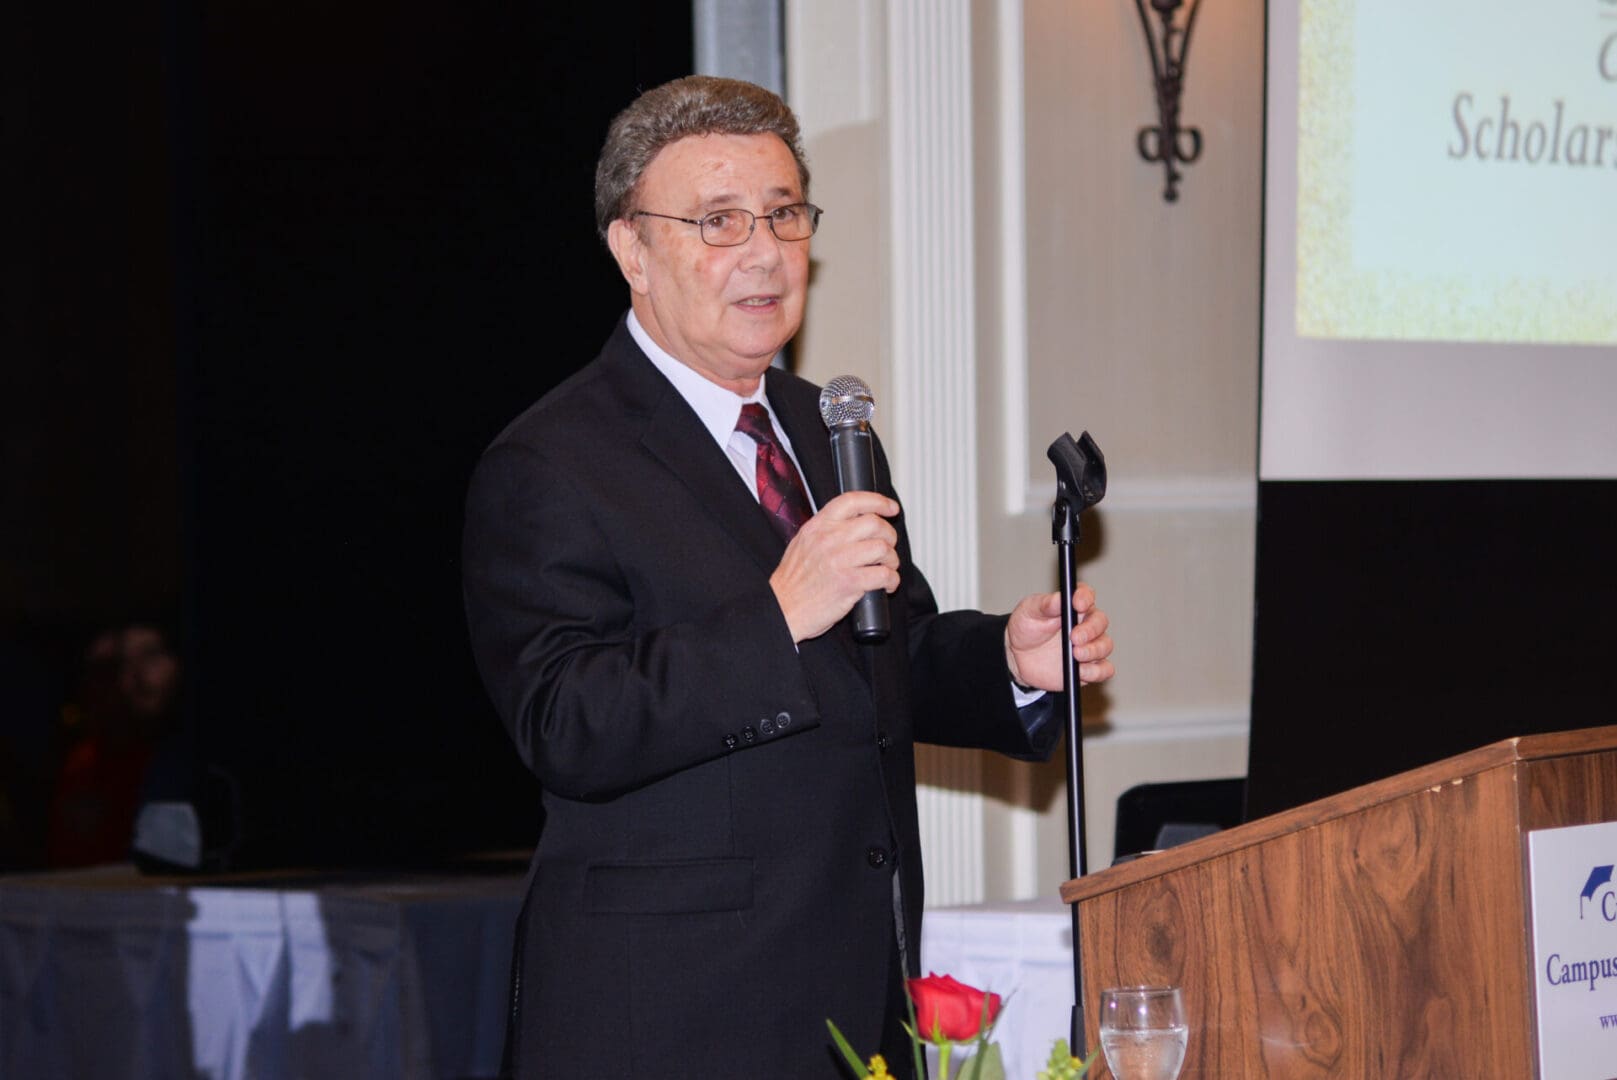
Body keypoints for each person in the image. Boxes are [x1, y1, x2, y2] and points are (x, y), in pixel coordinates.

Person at [461, 75, 1113, 1077]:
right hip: (667, 1015)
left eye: (783, 214)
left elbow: (885, 653)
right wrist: (775, 614)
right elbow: (565, 721)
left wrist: (1010, 664)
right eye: (718, 221)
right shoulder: (550, 461)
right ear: (632, 249)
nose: (763, 252)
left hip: (850, 993)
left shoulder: (826, 428)